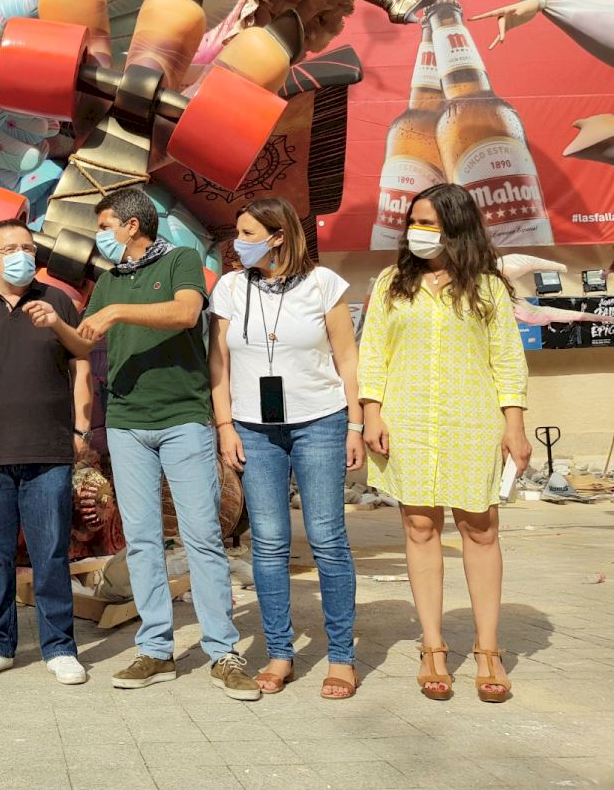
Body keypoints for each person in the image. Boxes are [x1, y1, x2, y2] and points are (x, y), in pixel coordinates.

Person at [26, 187, 260, 700]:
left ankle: (223, 651)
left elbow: (185, 313)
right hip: (128, 424)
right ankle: (156, 649)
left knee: (201, 536)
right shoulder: (109, 281)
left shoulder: (180, 260)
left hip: (182, 419)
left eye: (105, 226)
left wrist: (116, 313)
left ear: (132, 225)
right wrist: (59, 323)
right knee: (142, 540)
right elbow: (85, 341)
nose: (100, 237)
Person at [358, 183, 531, 704]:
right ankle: (432, 646)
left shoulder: (488, 288)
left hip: (472, 422)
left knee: (480, 528)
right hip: (408, 423)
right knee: (419, 527)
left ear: (456, 227)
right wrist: (371, 413)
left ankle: (487, 649)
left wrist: (515, 425)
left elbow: (507, 359)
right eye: (414, 221)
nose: (418, 231)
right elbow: (373, 353)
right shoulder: (392, 283)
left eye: (429, 223)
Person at [208, 198, 363, 699]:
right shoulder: (230, 288)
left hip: (320, 420)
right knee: (269, 542)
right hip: (254, 428)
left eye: (248, 233)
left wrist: (356, 424)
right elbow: (218, 364)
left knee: (327, 538)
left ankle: (341, 657)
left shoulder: (324, 284)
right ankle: (279, 652)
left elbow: (347, 358)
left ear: (278, 237)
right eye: (237, 233)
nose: (238, 243)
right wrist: (225, 425)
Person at [0, 219, 92, 686]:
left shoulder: (57, 300)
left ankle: (60, 646)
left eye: (27, 247)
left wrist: (81, 427)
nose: (22, 256)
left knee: (51, 553)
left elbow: (82, 360)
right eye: (10, 249)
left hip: (49, 448)